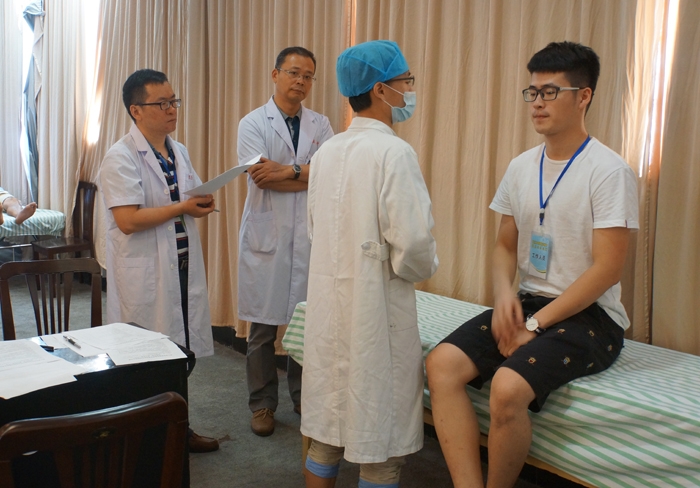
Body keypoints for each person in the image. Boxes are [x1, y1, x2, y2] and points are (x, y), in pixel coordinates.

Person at [425, 41, 639, 488]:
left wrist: (535, 326)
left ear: (583, 96)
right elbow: (505, 245)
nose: (538, 103)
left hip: (592, 316)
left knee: (507, 387)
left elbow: (607, 269)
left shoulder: (608, 171)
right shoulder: (521, 167)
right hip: (529, 301)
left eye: (550, 92)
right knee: (441, 365)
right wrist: (505, 296)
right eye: (533, 92)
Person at [301, 40, 439, 488]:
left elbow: (315, 228)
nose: (410, 90)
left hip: (331, 303)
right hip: (377, 310)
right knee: (381, 447)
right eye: (406, 81)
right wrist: (416, 267)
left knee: (327, 433)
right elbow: (413, 244)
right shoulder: (393, 153)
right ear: (381, 89)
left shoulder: (327, 152)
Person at [99, 69, 220, 453]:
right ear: (136, 110)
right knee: (146, 359)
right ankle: (145, 440)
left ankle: (178, 430)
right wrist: (182, 207)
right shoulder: (120, 157)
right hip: (146, 274)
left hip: (181, 267)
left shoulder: (177, 150)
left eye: (174, 101)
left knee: (180, 353)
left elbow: (187, 198)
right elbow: (128, 219)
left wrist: (200, 203)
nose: (172, 110)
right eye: (162, 103)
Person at [237, 46, 333, 436]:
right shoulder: (252, 123)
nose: (301, 81)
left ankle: (304, 399)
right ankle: (262, 404)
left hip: (308, 237)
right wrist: (304, 173)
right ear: (275, 74)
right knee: (262, 329)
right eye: (294, 72)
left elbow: (329, 173)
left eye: (308, 76)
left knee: (306, 324)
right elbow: (261, 178)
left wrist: (288, 171)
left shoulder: (321, 124)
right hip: (268, 238)